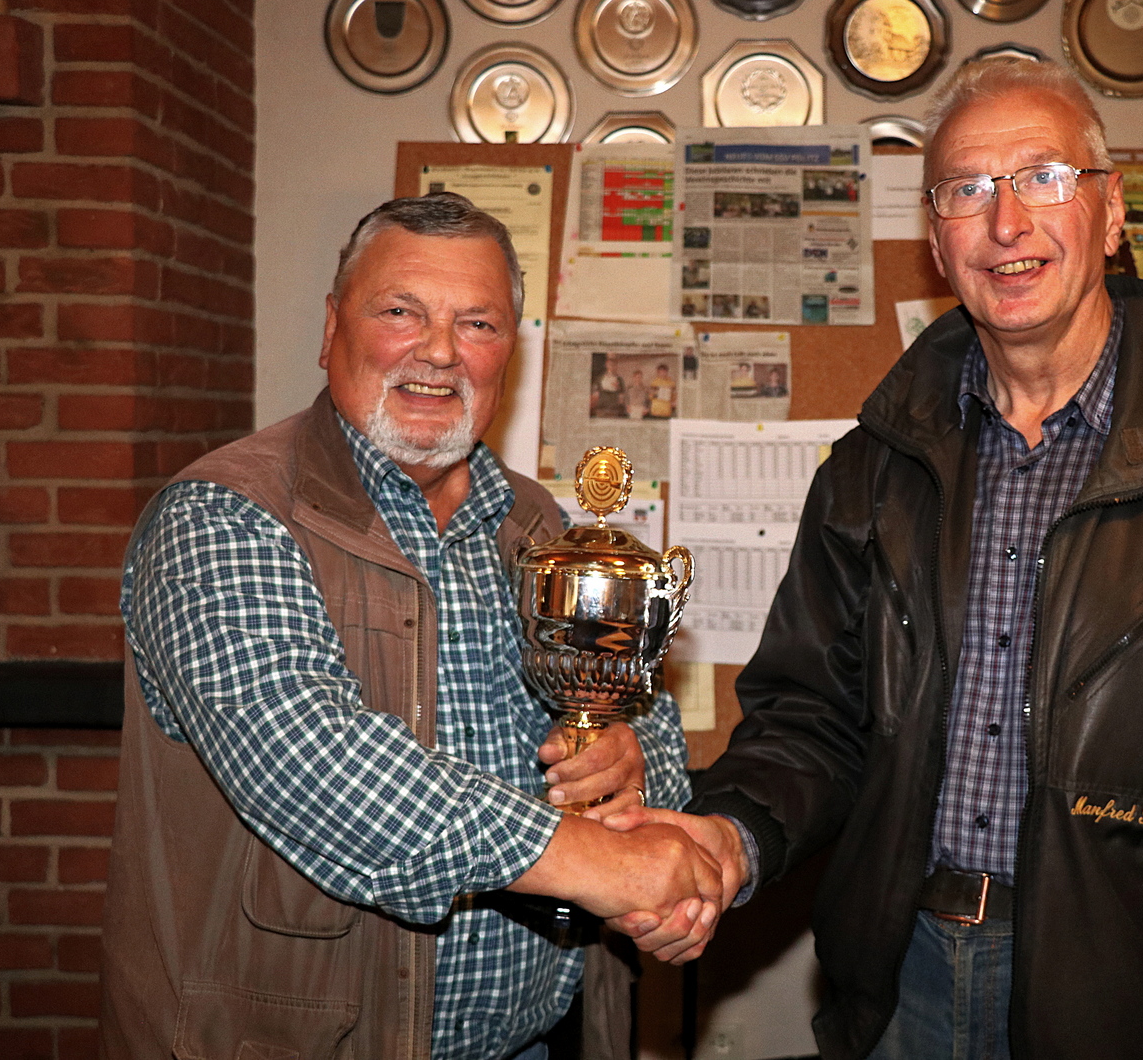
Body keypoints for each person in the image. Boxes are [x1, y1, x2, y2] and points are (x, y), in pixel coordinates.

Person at [611, 59, 1143, 1060]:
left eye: (1042, 177)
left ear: (1109, 213)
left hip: (1135, 997)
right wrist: (732, 835)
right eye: (966, 191)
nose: (1006, 222)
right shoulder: (873, 467)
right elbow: (811, 718)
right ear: (935, 241)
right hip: (900, 978)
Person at [100, 193, 721, 1060]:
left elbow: (647, 716)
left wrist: (628, 763)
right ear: (331, 329)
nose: (438, 352)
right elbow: (315, 760)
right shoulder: (223, 516)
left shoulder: (539, 525)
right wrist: (605, 866)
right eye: (400, 312)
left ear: (512, 349)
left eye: (478, 323)